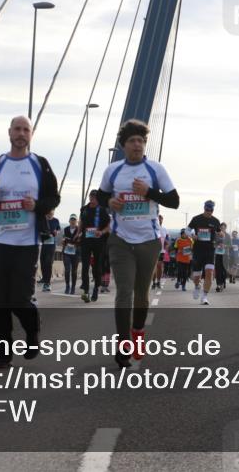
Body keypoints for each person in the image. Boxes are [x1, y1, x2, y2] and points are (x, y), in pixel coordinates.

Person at [0, 116, 60, 368]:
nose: (21, 133)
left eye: (26, 129)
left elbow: (53, 198)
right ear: (9, 132)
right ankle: (4, 351)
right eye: (17, 129)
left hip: (27, 242)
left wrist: (37, 206)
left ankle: (32, 331)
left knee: (19, 299)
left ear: (31, 134)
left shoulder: (40, 164)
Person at [97, 119, 179, 368]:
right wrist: (109, 202)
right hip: (120, 239)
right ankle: (123, 346)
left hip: (149, 241)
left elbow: (174, 201)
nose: (137, 145)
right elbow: (101, 195)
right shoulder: (113, 170)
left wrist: (149, 192)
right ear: (124, 145)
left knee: (141, 293)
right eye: (132, 141)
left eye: (141, 141)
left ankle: (138, 333)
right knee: (123, 292)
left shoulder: (156, 169)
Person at [78, 191, 111, 302]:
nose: (92, 199)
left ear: (97, 199)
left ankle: (96, 288)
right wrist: (78, 233)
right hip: (86, 240)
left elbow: (109, 225)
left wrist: (101, 232)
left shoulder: (102, 210)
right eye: (91, 197)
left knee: (97, 267)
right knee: (85, 266)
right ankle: (86, 291)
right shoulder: (84, 209)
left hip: (99, 242)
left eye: (94, 198)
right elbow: (81, 222)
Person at [187, 201, 221, 305]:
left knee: (209, 273)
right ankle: (197, 286)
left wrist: (221, 235)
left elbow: (219, 233)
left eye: (210, 210)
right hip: (198, 250)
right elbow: (187, 230)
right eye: (207, 209)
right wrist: (192, 235)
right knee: (196, 277)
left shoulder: (215, 221)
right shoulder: (196, 219)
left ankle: (205, 296)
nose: (208, 212)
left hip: (210, 250)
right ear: (204, 208)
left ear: (213, 210)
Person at [38, 209, 59, 292]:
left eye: (51, 213)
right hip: (43, 244)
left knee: (48, 262)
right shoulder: (42, 220)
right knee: (42, 262)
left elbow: (58, 229)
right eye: (48, 213)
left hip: (51, 245)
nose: (50, 215)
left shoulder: (55, 221)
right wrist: (43, 234)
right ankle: (44, 278)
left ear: (53, 213)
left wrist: (56, 232)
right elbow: (38, 231)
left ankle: (48, 283)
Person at [62, 214, 80, 295]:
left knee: (74, 271)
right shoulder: (65, 229)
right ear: (69, 221)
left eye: (74, 220)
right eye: (71, 220)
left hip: (75, 253)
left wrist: (76, 243)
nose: (73, 221)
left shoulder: (79, 230)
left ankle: (73, 287)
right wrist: (63, 241)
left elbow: (80, 241)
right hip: (66, 252)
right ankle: (67, 286)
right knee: (67, 270)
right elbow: (64, 238)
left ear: (77, 221)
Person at [153, 214, 167, 290]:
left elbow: (167, 239)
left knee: (159, 266)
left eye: (161, 219)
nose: (160, 220)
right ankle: (153, 282)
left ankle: (158, 281)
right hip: (153, 250)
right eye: (158, 219)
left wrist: (167, 245)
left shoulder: (164, 229)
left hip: (162, 251)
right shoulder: (153, 228)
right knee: (154, 267)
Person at [214, 222, 229, 291]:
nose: (222, 229)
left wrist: (225, 246)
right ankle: (218, 284)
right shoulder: (216, 235)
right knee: (218, 270)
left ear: (226, 228)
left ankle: (223, 282)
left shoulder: (228, 235)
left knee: (224, 270)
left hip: (225, 255)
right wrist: (216, 245)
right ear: (219, 228)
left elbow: (230, 245)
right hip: (218, 254)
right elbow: (213, 243)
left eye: (224, 227)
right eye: (221, 227)